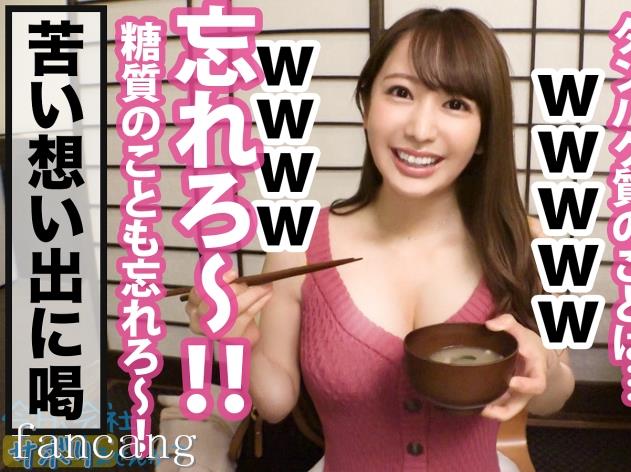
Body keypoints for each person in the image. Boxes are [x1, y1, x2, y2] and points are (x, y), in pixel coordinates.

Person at [185, 8, 574, 471]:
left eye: (456, 104)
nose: (420, 130)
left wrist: (544, 366)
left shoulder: (525, 243)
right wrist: (238, 339)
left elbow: (554, 396)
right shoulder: (298, 247)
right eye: (401, 92)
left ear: (484, 133)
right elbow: (275, 402)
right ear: (367, 106)